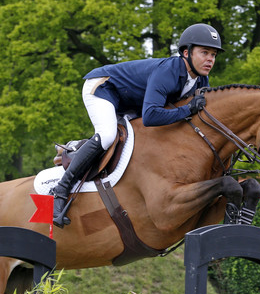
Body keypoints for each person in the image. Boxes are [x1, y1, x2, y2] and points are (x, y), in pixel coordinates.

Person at [50, 23, 223, 227]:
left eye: (213, 54)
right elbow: (150, 116)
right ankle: (61, 191)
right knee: (107, 135)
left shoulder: (201, 81)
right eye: (204, 53)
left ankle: (80, 148)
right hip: (103, 88)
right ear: (186, 52)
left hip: (130, 101)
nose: (210, 59)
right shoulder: (168, 71)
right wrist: (187, 110)